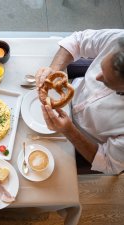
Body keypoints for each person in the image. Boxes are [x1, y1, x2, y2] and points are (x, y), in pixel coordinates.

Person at [36, 29, 124, 175]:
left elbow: (109, 164)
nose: (97, 77)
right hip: (70, 96)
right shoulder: (119, 39)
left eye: (107, 81)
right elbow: (77, 40)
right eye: (101, 67)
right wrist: (54, 69)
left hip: (79, 143)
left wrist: (69, 131)